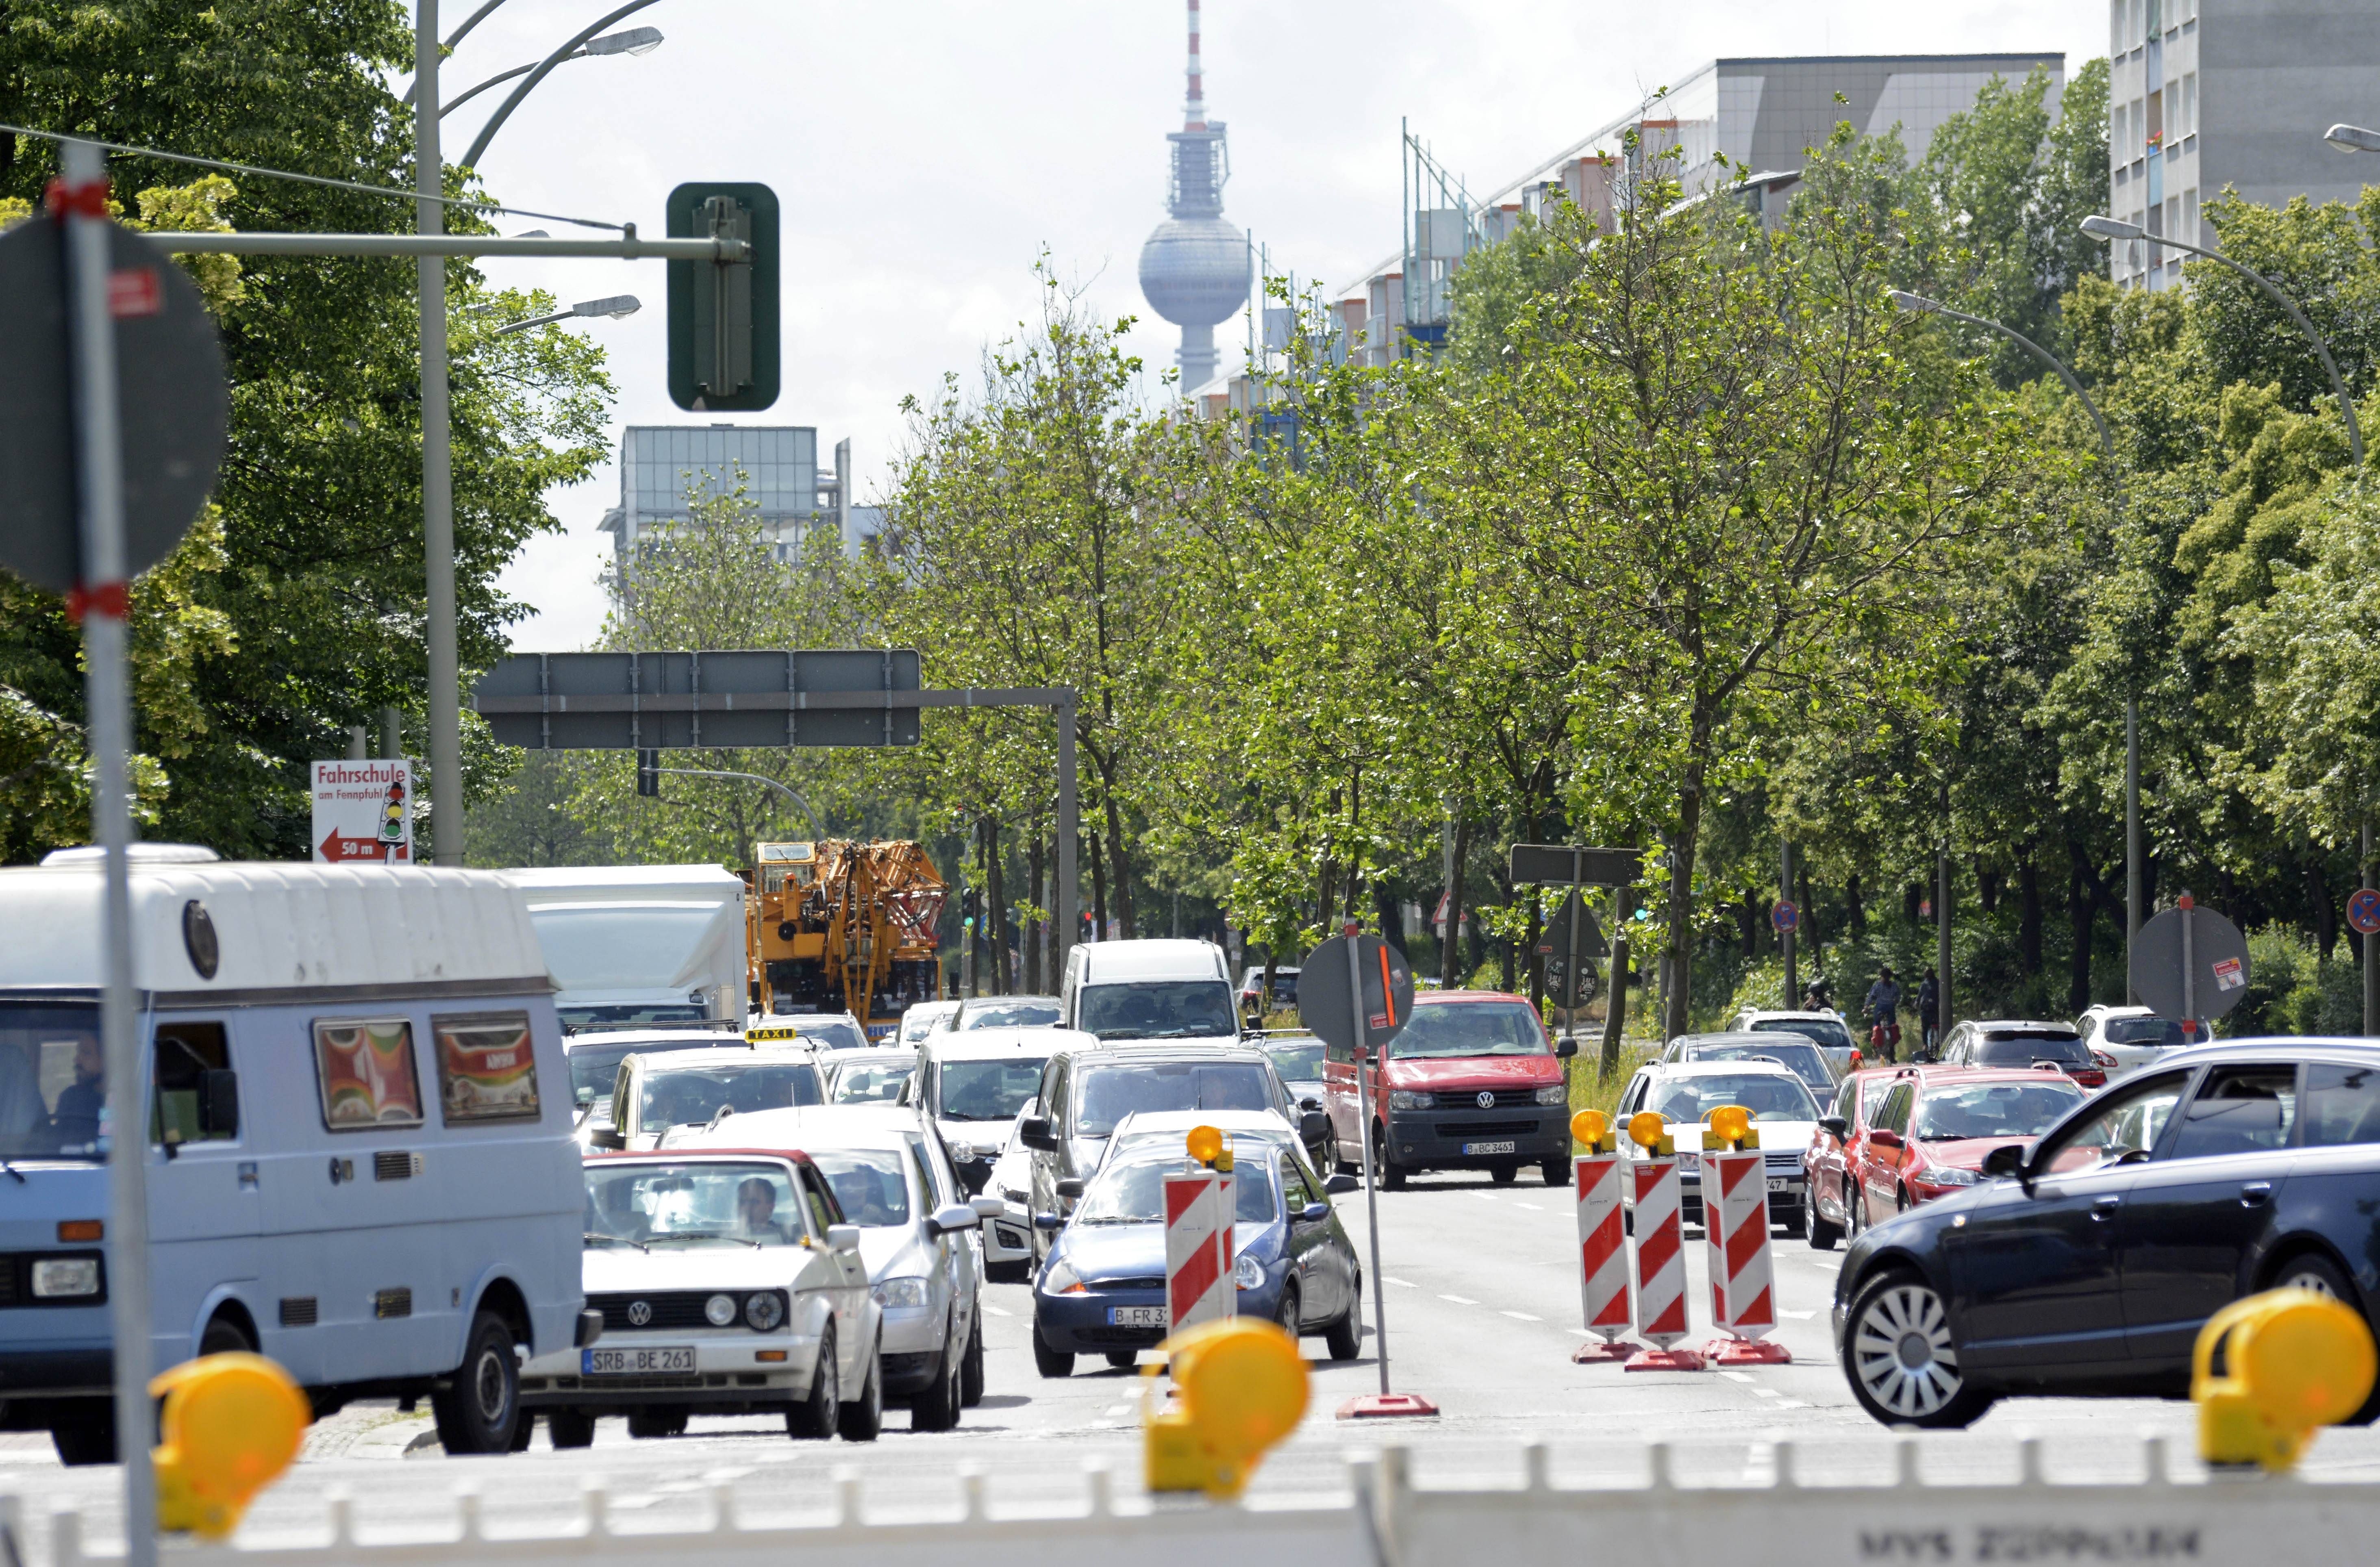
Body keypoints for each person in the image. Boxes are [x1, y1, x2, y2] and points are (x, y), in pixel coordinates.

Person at [50, 1035, 104, 1151]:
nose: (77, 1060)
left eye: (86, 1053)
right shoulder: (70, 1097)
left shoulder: (122, 1102)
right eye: (78, 1052)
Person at [1864, 967, 1903, 1064]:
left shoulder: (1878, 985)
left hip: (1880, 1008)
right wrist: (1895, 1002)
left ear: (1881, 976)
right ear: (1890, 976)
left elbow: (1872, 996)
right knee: (1892, 1027)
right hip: (1891, 1008)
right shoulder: (1894, 985)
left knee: (1876, 1025)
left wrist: (1866, 1007)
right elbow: (1898, 996)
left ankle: (1877, 1044)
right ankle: (1892, 1054)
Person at [735, 1176, 790, 1242]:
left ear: (770, 1207)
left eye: (754, 1202)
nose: (745, 1207)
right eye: (742, 1202)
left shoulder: (786, 1239)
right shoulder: (727, 1238)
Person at [1915, 971, 1941, 1058]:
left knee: (1925, 1028)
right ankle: (1937, 1045)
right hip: (1934, 1009)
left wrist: (1917, 1003)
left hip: (1926, 1009)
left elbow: (1919, 996)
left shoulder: (1925, 984)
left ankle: (1925, 1045)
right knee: (1936, 1027)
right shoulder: (1938, 983)